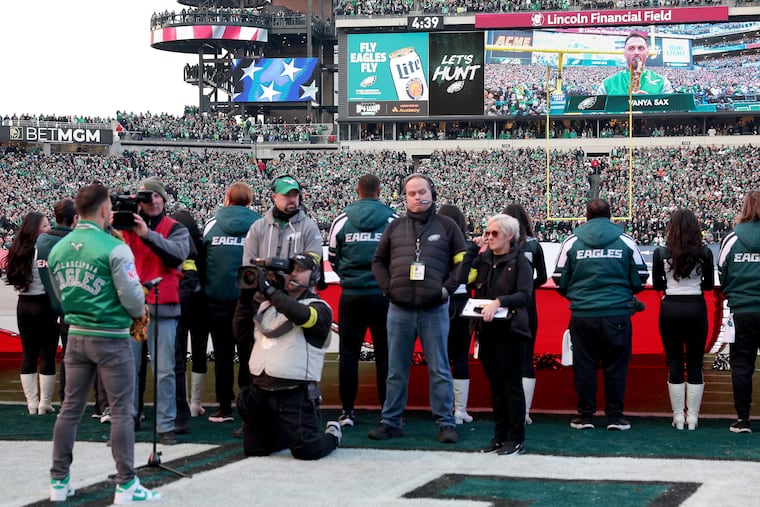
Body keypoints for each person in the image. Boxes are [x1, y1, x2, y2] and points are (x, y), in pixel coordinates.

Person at [47, 183, 160, 503]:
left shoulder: (59, 248)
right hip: (111, 337)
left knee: (69, 409)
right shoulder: (115, 247)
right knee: (122, 411)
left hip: (76, 335)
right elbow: (134, 304)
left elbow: (60, 295)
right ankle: (126, 485)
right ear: (105, 210)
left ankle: (59, 480)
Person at [369, 174, 466, 444]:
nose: (417, 197)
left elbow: (462, 261)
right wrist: (388, 288)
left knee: (439, 369)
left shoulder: (447, 226)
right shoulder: (395, 227)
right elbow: (377, 261)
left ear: (432, 193)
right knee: (396, 369)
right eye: (411, 193)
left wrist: (447, 288)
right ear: (405, 197)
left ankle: (446, 422)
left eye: (422, 191)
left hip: (434, 308)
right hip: (399, 309)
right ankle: (391, 421)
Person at [234, 174, 321, 436]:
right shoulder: (259, 227)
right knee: (255, 361)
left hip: (295, 304)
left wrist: (281, 267)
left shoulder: (308, 227)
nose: (293, 199)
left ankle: (302, 413)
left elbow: (312, 264)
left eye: (295, 194)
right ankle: (252, 418)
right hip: (263, 304)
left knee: (293, 361)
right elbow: (248, 268)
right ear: (274, 197)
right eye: (287, 195)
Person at [552, 199, 648, 431]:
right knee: (616, 365)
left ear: (586, 216)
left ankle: (585, 416)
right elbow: (641, 278)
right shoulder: (625, 240)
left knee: (584, 365)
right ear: (611, 215)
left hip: (583, 314)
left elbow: (558, 279)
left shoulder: (571, 241)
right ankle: (615, 417)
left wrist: (580, 297)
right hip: (616, 313)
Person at [237, 252, 341, 459]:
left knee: (307, 452)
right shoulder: (266, 305)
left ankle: (334, 434)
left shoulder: (319, 308)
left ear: (314, 277)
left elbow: (301, 315)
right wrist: (246, 296)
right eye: (289, 270)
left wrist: (270, 290)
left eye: (300, 270)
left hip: (293, 394)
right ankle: (285, 434)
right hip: (260, 392)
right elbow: (239, 333)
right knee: (255, 451)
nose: (293, 274)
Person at [122, 177, 190, 445]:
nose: (151, 202)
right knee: (129, 368)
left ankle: (165, 425)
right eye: (145, 197)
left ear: (164, 199)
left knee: (164, 370)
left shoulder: (175, 228)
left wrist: (147, 235)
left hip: (163, 304)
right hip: (133, 306)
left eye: (155, 196)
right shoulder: (125, 227)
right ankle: (128, 419)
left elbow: (177, 255)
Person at [328, 174, 396, 427]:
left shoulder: (342, 219)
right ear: (379, 190)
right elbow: (399, 255)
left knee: (348, 354)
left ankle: (347, 411)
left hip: (352, 295)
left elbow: (333, 257)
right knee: (385, 354)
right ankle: (387, 412)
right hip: (382, 296)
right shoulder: (392, 219)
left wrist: (349, 276)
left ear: (357, 191)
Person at [461, 214, 533, 455]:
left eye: (494, 234)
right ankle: (499, 436)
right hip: (486, 329)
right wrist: (473, 248)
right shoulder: (483, 260)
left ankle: (516, 438)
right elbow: (460, 277)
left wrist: (499, 301)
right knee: (495, 386)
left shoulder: (521, 262)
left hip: (511, 331)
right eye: (487, 233)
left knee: (511, 386)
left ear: (509, 236)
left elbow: (524, 295)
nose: (489, 238)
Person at [202, 182, 261, 424]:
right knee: (249, 355)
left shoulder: (212, 226)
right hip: (248, 302)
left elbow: (202, 260)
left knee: (223, 355)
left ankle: (224, 407)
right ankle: (248, 407)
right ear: (249, 200)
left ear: (227, 199)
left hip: (218, 301)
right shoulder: (259, 225)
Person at [652, 209, 714, 430]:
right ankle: (693, 418)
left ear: (672, 227)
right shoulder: (705, 253)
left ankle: (678, 417)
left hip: (670, 309)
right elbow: (708, 286)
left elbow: (658, 285)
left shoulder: (660, 252)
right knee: (696, 363)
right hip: (696, 308)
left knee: (675, 361)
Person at [4, 211, 58, 415]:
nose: (48, 228)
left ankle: (31, 403)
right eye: (45, 225)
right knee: (47, 354)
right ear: (36, 228)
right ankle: (45, 403)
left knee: (28, 353)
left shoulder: (16, 250)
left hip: (23, 306)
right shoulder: (44, 249)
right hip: (43, 305)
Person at [718, 191, 760, 434]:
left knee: (742, 365)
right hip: (745, 306)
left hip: (742, 310)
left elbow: (722, 272)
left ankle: (743, 419)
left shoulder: (732, 238)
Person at [503, 203, 547, 424]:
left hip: (503, 305)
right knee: (526, 357)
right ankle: (525, 412)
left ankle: (506, 409)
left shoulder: (500, 243)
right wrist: (526, 288)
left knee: (503, 357)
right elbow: (542, 276)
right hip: (527, 306)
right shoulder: (534, 245)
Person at [35, 199, 77, 405]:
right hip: (73, 306)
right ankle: (99, 405)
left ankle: (56, 401)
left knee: (59, 357)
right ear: (75, 218)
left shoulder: (42, 241)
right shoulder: (75, 241)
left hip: (46, 303)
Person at [169, 209, 206, 434]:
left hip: (178, 303)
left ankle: (180, 405)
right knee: (200, 352)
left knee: (179, 357)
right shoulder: (202, 244)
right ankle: (195, 404)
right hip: (201, 303)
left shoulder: (173, 243)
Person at [438, 204, 474, 425]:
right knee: (460, 356)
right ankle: (460, 410)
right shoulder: (467, 246)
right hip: (462, 302)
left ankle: (442, 409)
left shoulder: (434, 244)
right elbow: (473, 277)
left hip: (440, 300)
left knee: (440, 358)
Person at [596, 32, 674, 96]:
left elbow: (672, 113)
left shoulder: (662, 83)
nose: (636, 52)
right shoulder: (608, 84)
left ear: (647, 53)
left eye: (641, 48)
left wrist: (649, 104)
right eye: (631, 48)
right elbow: (595, 113)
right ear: (624, 53)